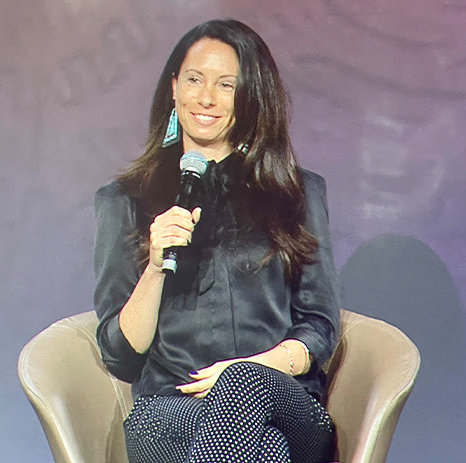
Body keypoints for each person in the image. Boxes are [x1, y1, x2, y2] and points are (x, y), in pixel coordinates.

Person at [94, 19, 340, 463]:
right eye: (193, 79)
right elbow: (121, 358)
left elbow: (319, 325)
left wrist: (249, 373)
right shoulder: (124, 201)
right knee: (266, 453)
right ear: (173, 87)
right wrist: (153, 269)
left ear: (250, 98)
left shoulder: (297, 194)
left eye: (226, 85)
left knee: (246, 392)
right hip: (171, 411)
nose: (205, 98)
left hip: (283, 400)